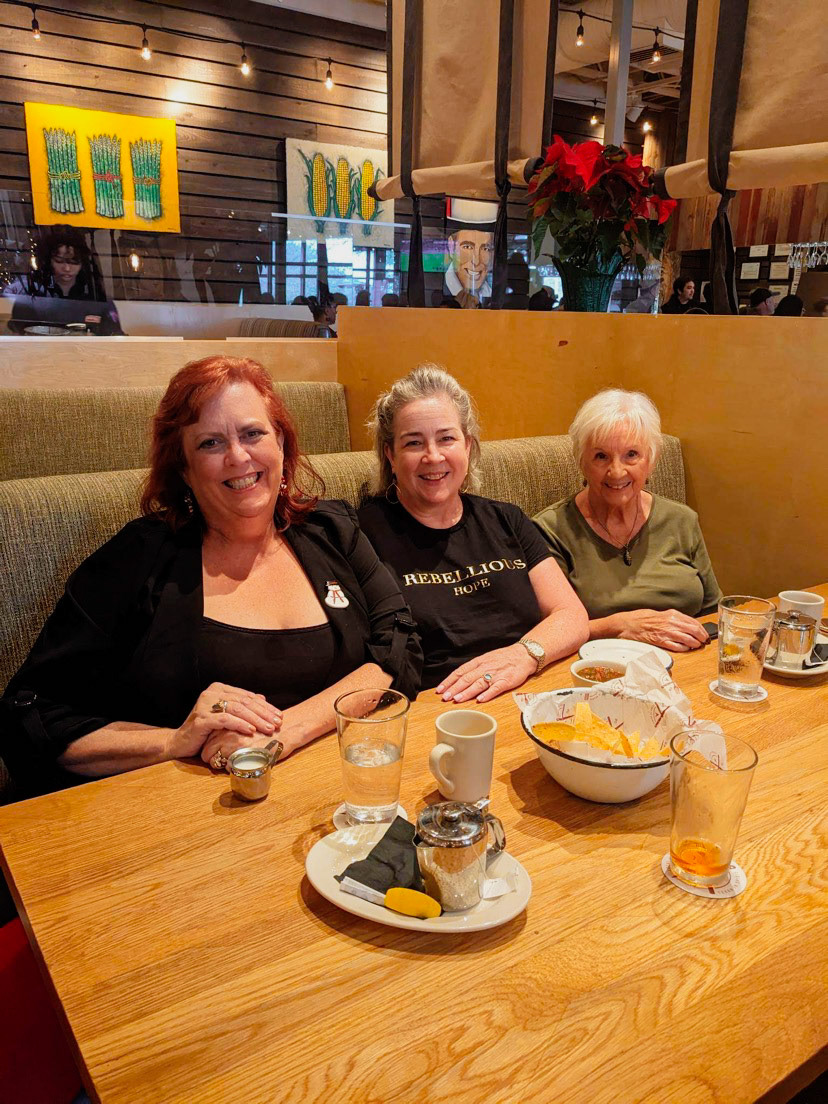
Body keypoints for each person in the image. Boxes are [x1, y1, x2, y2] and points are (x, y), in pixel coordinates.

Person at [0, 356, 421, 801]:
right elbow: (28, 714)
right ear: (183, 467)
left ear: (281, 442)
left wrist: (285, 732)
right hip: (186, 815)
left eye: (253, 433)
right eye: (210, 443)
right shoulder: (139, 558)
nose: (238, 456)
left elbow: (399, 645)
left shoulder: (333, 529)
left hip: (340, 795)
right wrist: (174, 741)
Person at [358, 365, 588, 702]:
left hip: (532, 692)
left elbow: (572, 615)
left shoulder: (506, 519)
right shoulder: (362, 534)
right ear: (390, 455)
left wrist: (522, 656)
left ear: (467, 445)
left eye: (446, 438)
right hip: (439, 707)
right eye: (414, 442)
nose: (433, 456)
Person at [534, 389, 721, 652]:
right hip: (597, 665)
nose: (617, 471)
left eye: (631, 454)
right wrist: (621, 625)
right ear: (582, 462)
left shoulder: (682, 520)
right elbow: (547, 630)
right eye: (601, 456)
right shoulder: (550, 530)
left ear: (651, 460)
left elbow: (714, 612)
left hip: (688, 661)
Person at [4, 226, 123, 334]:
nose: (67, 268)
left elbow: (114, 336)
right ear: (48, 261)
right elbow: (17, 336)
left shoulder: (97, 298)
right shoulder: (31, 296)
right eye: (59, 261)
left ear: (83, 263)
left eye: (74, 262)